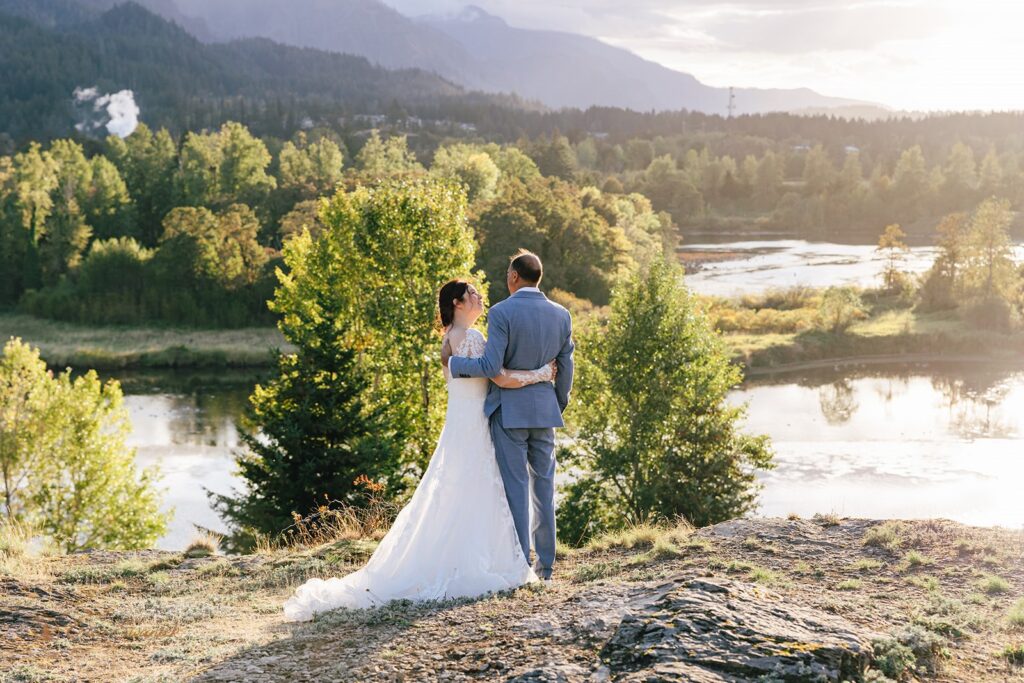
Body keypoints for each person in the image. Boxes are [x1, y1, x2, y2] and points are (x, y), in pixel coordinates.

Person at [283, 276, 559, 622]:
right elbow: (498, 376)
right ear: (458, 303)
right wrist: (541, 373)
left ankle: (464, 556)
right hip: (473, 424)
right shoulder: (470, 337)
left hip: (461, 423)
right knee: (475, 492)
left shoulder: (452, 337)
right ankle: (478, 561)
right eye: (472, 293)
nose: (479, 296)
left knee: (459, 495)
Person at [445, 250, 574, 581]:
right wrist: (556, 403)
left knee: (516, 488)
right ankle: (546, 566)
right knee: (544, 488)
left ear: (515, 277)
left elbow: (490, 367)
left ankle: (521, 567)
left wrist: (455, 364)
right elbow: (567, 367)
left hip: (509, 413)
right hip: (545, 412)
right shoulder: (561, 314)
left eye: (507, 273)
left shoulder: (502, 313)